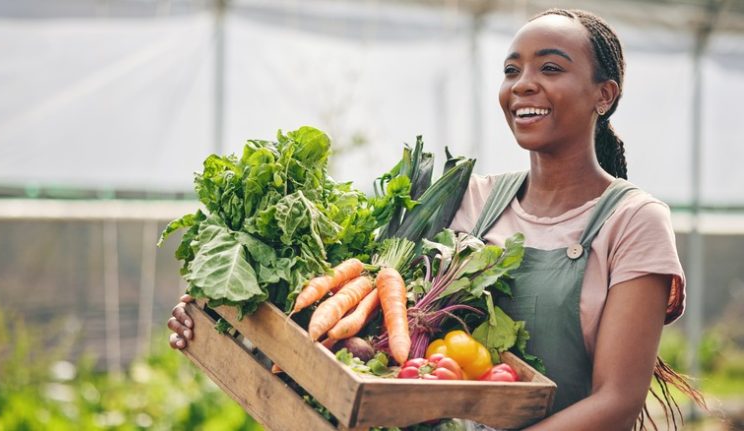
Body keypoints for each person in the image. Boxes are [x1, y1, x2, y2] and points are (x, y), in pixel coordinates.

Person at [167, 8, 705, 430]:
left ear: (604, 96)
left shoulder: (633, 221)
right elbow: (379, 327)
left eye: (550, 68)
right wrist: (230, 328)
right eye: (511, 70)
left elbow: (616, 402)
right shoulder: (471, 199)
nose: (522, 83)